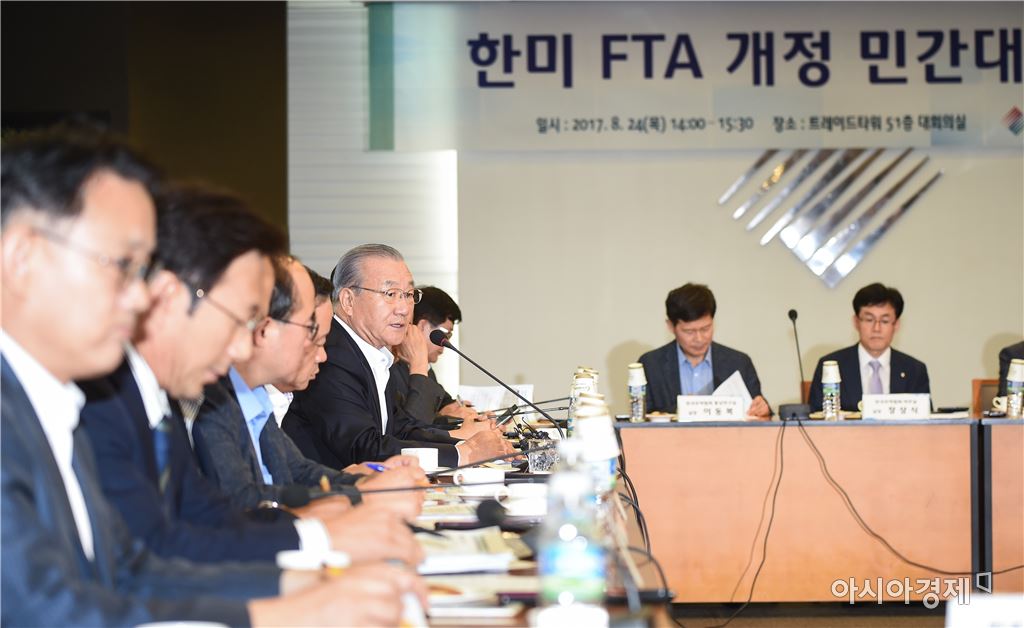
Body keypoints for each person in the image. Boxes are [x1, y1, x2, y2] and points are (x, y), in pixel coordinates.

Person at [0, 126, 420, 626]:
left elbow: (135, 568)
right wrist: (287, 607)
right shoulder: (85, 403)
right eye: (124, 267)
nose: (142, 297)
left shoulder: (60, 399)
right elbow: (46, 610)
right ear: (23, 257)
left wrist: (308, 579)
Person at [79, 183, 422, 568]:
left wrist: (344, 507)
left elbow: (206, 521)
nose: (243, 348)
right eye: (240, 319)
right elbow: (161, 556)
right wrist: (326, 527)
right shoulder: (107, 407)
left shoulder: (164, 400)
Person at [192, 255, 425, 522]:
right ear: (265, 327)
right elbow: (244, 504)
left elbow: (298, 470)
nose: (322, 354)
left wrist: (364, 483)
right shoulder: (211, 403)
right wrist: (357, 495)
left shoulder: (255, 396)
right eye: (312, 333)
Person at [283, 244, 516, 469]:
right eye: (391, 294)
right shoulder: (331, 354)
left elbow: (400, 429)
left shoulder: (371, 353)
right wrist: (462, 454)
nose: (404, 308)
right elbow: (364, 447)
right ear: (348, 300)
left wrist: (463, 441)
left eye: (408, 295)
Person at [638, 283, 770, 418]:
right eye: (689, 332)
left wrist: (762, 409)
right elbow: (642, 418)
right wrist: (686, 409)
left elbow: (759, 412)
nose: (699, 339)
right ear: (671, 326)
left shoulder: (739, 363)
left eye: (705, 329)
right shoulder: (651, 365)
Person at [808, 282, 930, 412]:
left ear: (896, 325)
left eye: (884, 321)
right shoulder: (831, 366)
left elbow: (926, 419)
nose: (876, 328)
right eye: (869, 320)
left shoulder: (915, 370)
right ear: (856, 322)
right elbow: (815, 417)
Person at [392, 286, 488, 426]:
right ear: (423, 326)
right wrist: (443, 417)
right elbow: (410, 430)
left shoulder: (427, 370)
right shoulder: (391, 367)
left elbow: (445, 404)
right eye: (445, 333)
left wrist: (475, 417)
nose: (446, 341)